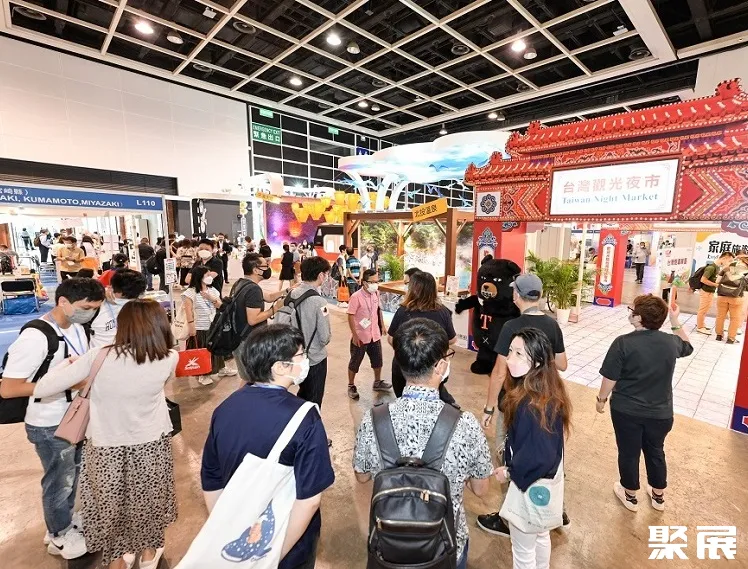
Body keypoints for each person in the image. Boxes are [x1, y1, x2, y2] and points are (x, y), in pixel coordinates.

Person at [33, 299, 178, 569]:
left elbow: (42, 388)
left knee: (111, 503)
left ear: (123, 326)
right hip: (152, 442)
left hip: (106, 446)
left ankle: (119, 557)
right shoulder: (169, 357)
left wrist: (69, 365)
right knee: (149, 498)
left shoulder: (98, 356)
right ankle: (148, 554)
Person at [353, 318, 492, 569]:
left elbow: (362, 476)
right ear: (440, 366)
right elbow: (481, 489)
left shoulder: (374, 419)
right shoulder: (465, 424)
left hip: (389, 544)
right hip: (447, 545)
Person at [201, 324, 335, 569]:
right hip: (289, 546)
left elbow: (211, 479)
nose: (305, 361)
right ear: (279, 367)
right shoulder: (305, 418)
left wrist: (227, 529)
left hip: (240, 529)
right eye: (300, 355)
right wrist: (273, 555)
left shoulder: (224, 409)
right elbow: (309, 500)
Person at [0, 278, 105, 560]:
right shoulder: (35, 337)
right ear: (63, 302)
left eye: (95, 308)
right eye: (86, 307)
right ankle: (59, 534)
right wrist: (63, 383)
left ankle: (62, 521)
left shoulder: (78, 328)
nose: (90, 313)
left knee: (72, 474)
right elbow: (8, 389)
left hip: (74, 416)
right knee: (59, 481)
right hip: (48, 422)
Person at [477, 273, 569, 536]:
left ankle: (511, 519)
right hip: (546, 400)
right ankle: (554, 509)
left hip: (516, 404)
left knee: (510, 456)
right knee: (546, 456)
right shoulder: (552, 325)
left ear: (517, 294)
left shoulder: (512, 327)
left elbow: (499, 371)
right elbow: (562, 364)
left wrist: (489, 408)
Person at [597, 295, 692, 513]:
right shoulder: (670, 342)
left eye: (631, 310)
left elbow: (610, 377)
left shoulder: (623, 343)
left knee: (628, 452)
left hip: (626, 411)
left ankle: (630, 496)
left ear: (638, 318)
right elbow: (687, 346)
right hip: (661, 413)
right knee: (655, 450)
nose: (629, 313)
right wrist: (674, 320)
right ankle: (658, 496)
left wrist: (601, 399)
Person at [494, 328, 572, 569]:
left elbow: (539, 456)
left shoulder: (531, 404)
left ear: (537, 361)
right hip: (545, 489)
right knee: (540, 534)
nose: (510, 359)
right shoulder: (547, 391)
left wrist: (509, 471)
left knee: (523, 551)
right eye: (510, 351)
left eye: (519, 354)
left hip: (528, 484)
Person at [387, 271, 458, 404]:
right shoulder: (443, 311)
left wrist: (407, 347)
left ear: (412, 288)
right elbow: (452, 339)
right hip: (433, 366)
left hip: (404, 365)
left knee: (403, 398)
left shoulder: (403, 311)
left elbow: (391, 338)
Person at [229, 253, 289, 381]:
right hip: (248, 341)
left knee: (248, 380)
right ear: (256, 270)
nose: (268, 268)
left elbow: (269, 297)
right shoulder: (253, 290)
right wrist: (275, 309)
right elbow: (253, 319)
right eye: (265, 266)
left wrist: (287, 291)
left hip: (238, 337)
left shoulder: (241, 284)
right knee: (254, 380)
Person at [289, 257, 332, 410]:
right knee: (314, 398)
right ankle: (311, 423)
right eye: (325, 274)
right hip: (315, 358)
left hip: (295, 354)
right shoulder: (319, 302)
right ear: (320, 275)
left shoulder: (292, 293)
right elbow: (324, 336)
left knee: (303, 393)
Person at [183, 266, 234, 386]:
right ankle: (203, 374)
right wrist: (191, 326)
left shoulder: (213, 290)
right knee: (203, 350)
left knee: (217, 348)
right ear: (199, 277)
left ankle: (221, 368)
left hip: (214, 325)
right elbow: (188, 311)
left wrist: (211, 299)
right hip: (200, 327)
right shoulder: (190, 293)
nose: (210, 277)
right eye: (207, 275)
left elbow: (220, 306)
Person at [346, 269, 392, 400]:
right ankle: (351, 385)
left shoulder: (376, 293)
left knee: (378, 360)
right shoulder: (356, 297)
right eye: (373, 282)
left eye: (377, 281)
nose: (376, 284)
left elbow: (378, 310)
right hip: (361, 336)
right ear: (365, 282)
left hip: (374, 334)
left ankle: (377, 382)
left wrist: (382, 326)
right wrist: (355, 335)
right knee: (355, 362)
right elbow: (350, 316)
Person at [89, 269, 146, 349]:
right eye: (124, 297)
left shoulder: (141, 306)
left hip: (131, 352)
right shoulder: (97, 305)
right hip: (103, 354)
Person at [696, 251, 735, 335]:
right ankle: (700, 327)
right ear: (724, 258)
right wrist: (716, 285)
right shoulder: (711, 268)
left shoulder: (717, 267)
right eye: (729, 261)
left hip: (709, 291)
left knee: (705, 309)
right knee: (703, 309)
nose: (730, 263)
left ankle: (701, 324)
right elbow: (703, 280)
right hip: (706, 291)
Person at [714, 256, 748, 344]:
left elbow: (717, 281)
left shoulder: (726, 268)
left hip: (722, 296)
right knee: (734, 319)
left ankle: (719, 335)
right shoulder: (746, 272)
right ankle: (731, 338)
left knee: (720, 316)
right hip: (736, 297)